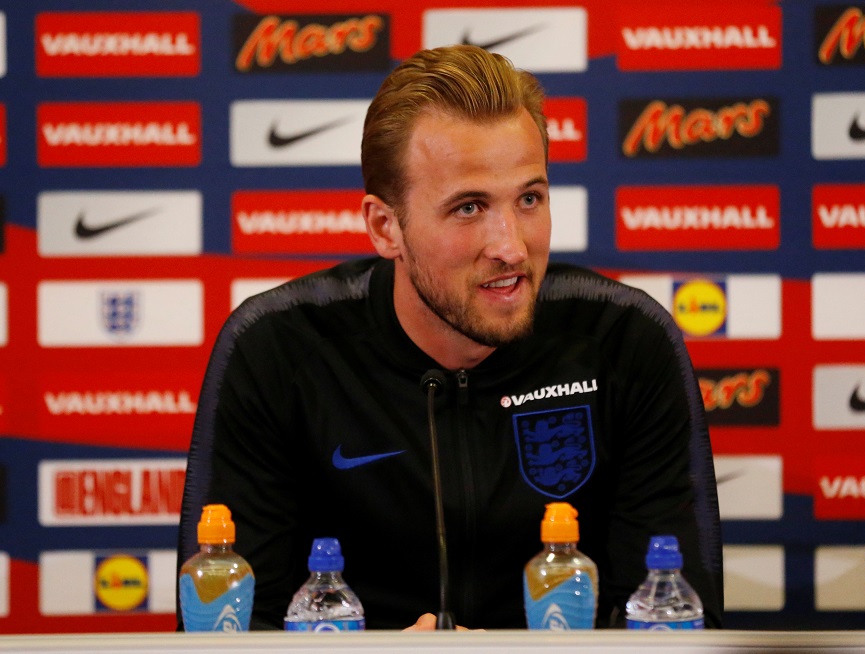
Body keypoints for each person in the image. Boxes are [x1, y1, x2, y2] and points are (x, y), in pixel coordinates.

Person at [177, 44, 723, 630]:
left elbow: (676, 624)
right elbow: (223, 637)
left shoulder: (625, 342)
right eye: (468, 208)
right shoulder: (277, 351)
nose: (511, 246)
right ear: (385, 227)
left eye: (529, 199)